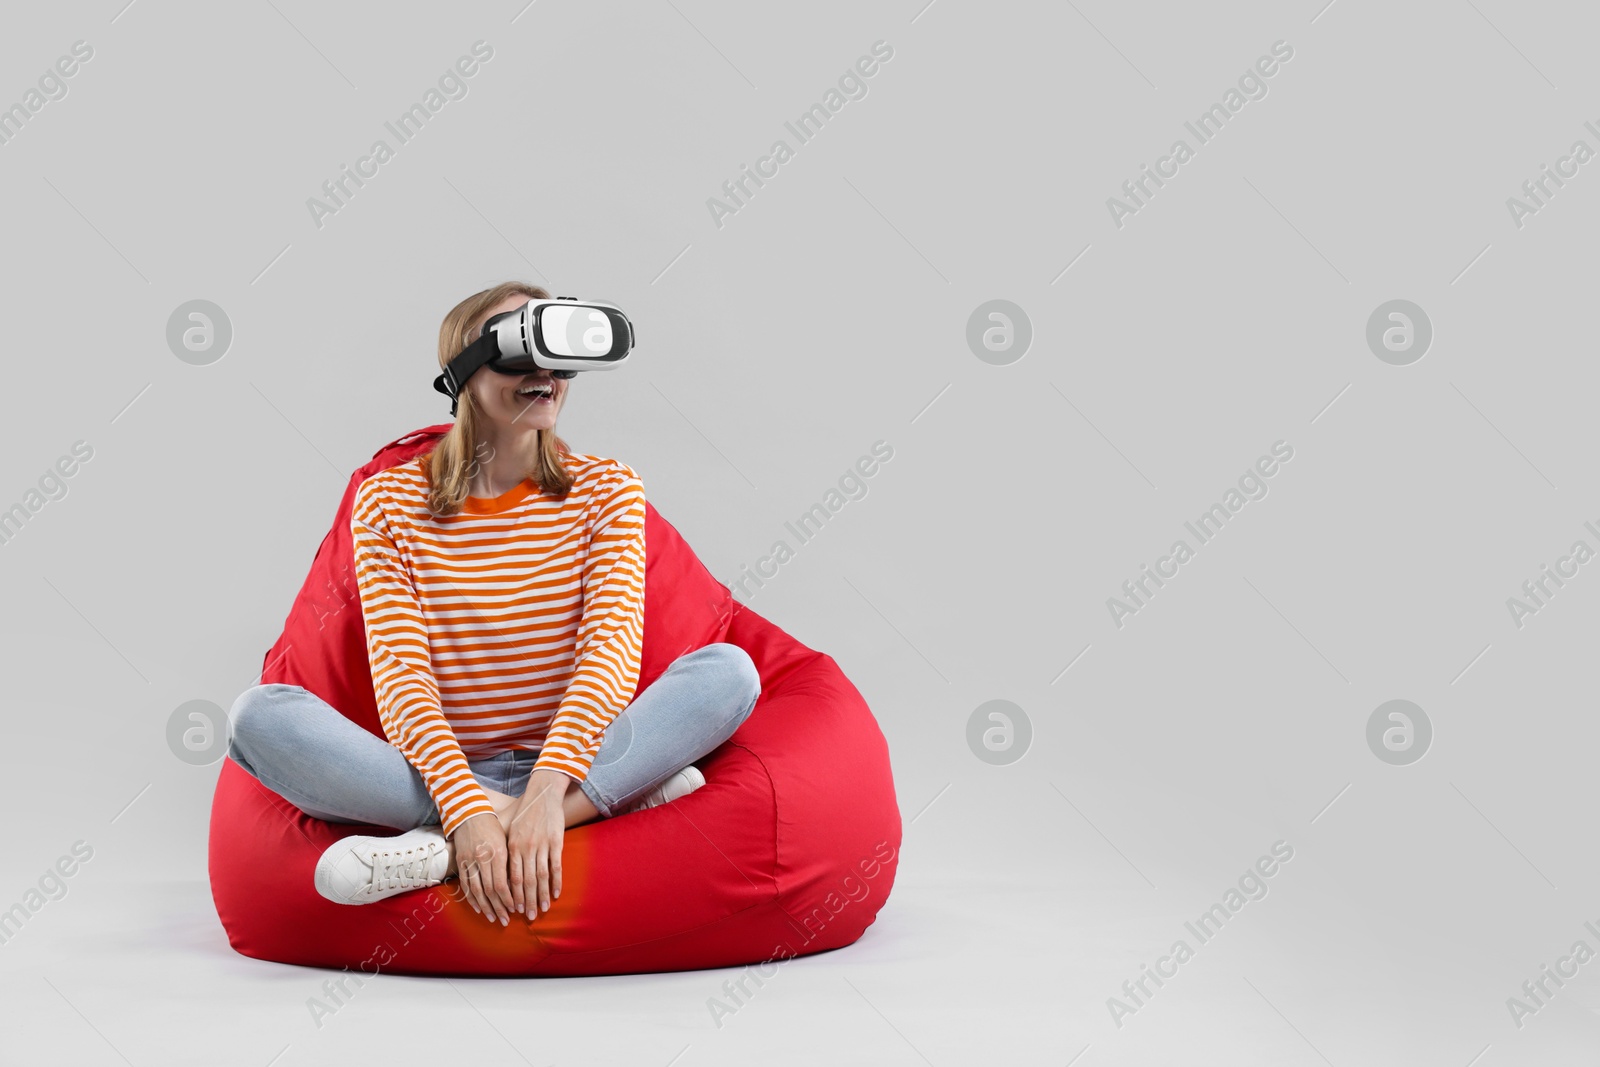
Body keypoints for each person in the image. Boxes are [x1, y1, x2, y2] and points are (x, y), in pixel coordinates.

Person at [225, 281, 760, 926]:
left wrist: (543, 795)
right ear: (462, 375)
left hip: (575, 762)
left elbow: (609, 652)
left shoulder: (608, 489)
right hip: (439, 774)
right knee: (259, 717)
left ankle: (453, 850)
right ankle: (588, 811)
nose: (545, 376)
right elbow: (402, 676)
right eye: (518, 351)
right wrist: (467, 810)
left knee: (728, 673)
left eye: (558, 358)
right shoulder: (389, 502)